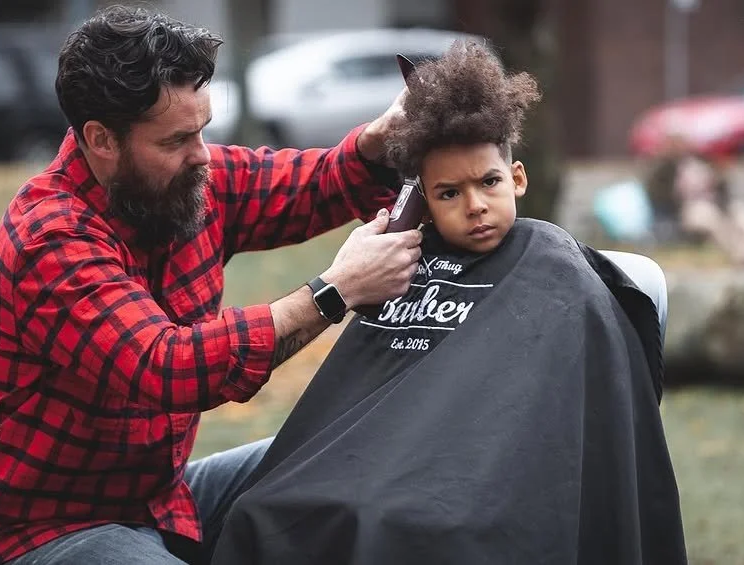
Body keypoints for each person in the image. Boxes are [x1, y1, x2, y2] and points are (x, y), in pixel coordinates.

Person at [0, 6, 422, 565]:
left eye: (203, 130)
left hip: (153, 503)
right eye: (176, 140)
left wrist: (378, 140)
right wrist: (333, 292)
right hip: (25, 532)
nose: (201, 156)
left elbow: (314, 182)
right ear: (101, 140)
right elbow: (164, 366)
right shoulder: (49, 235)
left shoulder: (180, 185)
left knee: (350, 455)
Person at [210, 41, 687, 565]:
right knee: (268, 509)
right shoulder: (401, 267)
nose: (476, 205)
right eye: (448, 194)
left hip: (472, 487)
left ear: (518, 178)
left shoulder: (557, 270)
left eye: (489, 182)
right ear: (424, 202)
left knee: (413, 527)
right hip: (378, 469)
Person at [644, 138, 744, 266]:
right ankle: (738, 258)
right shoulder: (663, 170)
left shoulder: (703, 161)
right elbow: (660, 196)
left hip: (719, 205)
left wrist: (714, 185)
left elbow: (722, 186)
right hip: (688, 210)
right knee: (711, 220)